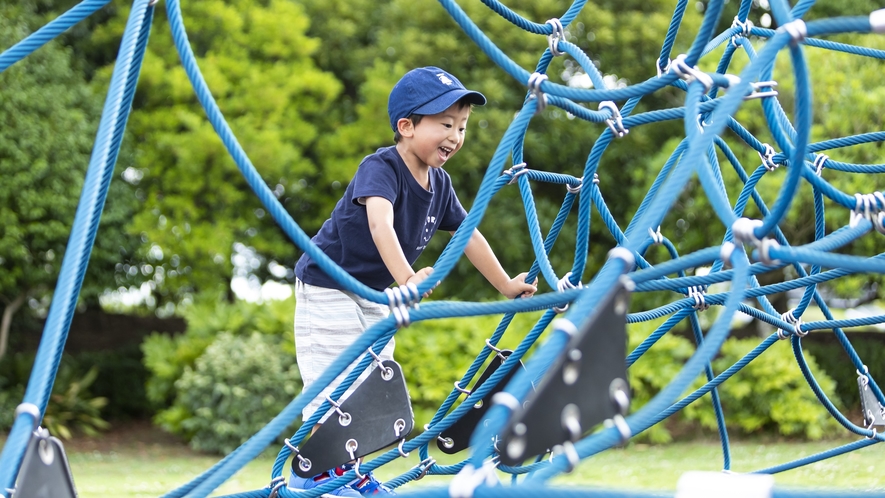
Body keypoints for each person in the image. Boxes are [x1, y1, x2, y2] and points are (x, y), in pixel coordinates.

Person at [288, 66, 537, 496]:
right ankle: (315, 475)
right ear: (406, 126)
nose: (455, 136)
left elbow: (468, 234)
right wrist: (407, 278)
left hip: (379, 296)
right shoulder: (381, 168)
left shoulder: (440, 184)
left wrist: (505, 285)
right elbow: (380, 225)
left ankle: (349, 471)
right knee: (333, 381)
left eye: (461, 126)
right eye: (444, 124)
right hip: (330, 287)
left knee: (374, 387)